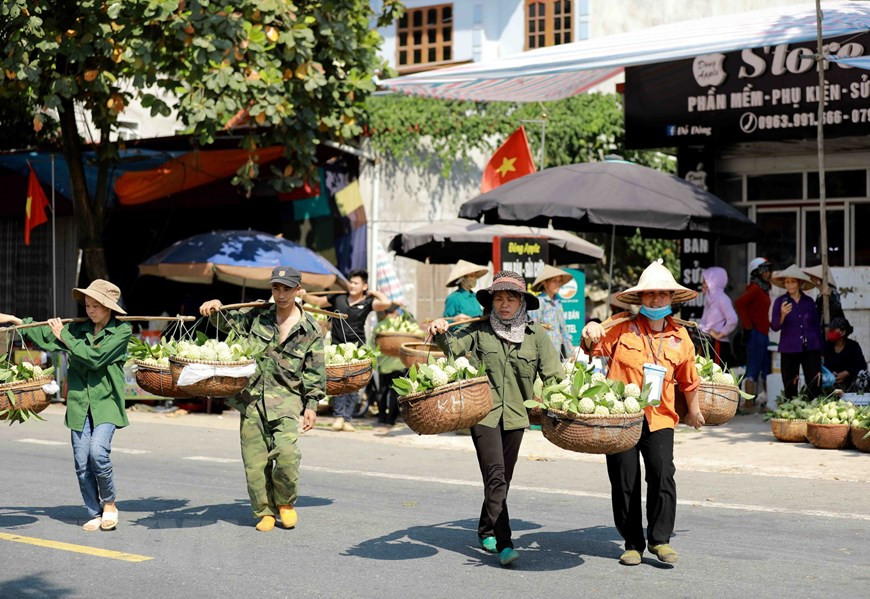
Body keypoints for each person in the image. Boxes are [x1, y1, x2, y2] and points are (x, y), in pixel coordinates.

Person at [428, 271, 563, 567]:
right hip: (483, 413)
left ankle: (485, 527)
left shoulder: (536, 336)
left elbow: (555, 376)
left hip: (516, 415)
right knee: (496, 477)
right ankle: (505, 543)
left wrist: (563, 401)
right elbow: (452, 349)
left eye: (510, 298)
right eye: (499, 298)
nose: (504, 304)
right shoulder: (478, 330)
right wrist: (440, 330)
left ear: (521, 303)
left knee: (502, 480)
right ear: (491, 302)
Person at [581, 260, 704, 567]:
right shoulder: (620, 329)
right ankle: (632, 542)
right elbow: (590, 350)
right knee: (625, 480)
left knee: (663, 474)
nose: (656, 299)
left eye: (663, 294)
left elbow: (689, 380)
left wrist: (695, 410)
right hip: (621, 417)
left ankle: (660, 540)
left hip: (660, 416)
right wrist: (591, 330)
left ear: (671, 299)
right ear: (640, 298)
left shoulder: (681, 337)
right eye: (650, 294)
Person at [1, 280, 132, 533]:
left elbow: (95, 359)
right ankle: (94, 512)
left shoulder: (121, 332)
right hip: (79, 403)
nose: (90, 310)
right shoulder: (78, 329)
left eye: (96, 306)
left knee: (98, 453)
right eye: (87, 305)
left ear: (109, 308)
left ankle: (110, 504)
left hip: (106, 403)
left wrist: (65, 338)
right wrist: (15, 320)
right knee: (81, 462)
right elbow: (43, 334)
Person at [199, 267, 324, 532]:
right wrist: (215, 309)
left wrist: (312, 404)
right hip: (251, 398)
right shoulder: (257, 315)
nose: (280, 294)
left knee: (288, 455)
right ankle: (264, 510)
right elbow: (226, 324)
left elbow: (314, 370)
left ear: (298, 289)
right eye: (276, 288)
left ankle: (285, 503)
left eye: (287, 289)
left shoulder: (309, 328)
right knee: (255, 461)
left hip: (287, 399)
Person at [303, 269, 394, 432]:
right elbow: (317, 301)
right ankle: (338, 417)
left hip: (357, 348)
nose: (352, 285)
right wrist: (303, 295)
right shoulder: (338, 298)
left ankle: (347, 419)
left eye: (356, 283)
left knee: (354, 384)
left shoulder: (368, 302)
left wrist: (373, 292)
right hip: (337, 346)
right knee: (338, 382)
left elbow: (386, 303)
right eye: (350, 282)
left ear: (364, 286)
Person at [769, 264, 823, 399]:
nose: (790, 285)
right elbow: (775, 326)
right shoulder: (780, 302)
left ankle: (812, 411)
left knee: (813, 383)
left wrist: (822, 351)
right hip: (789, 348)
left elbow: (816, 327)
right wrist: (782, 314)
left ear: (800, 283)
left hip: (810, 348)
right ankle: (791, 410)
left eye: (793, 281)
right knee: (790, 384)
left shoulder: (809, 302)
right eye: (787, 282)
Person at [734, 257, 773, 399]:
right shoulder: (756, 288)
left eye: (769, 270)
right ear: (757, 272)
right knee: (754, 368)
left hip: (763, 332)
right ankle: (749, 403)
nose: (768, 273)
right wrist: (748, 326)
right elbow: (739, 303)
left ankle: (766, 401)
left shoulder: (764, 288)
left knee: (765, 367)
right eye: (765, 270)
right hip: (756, 333)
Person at [528, 265, 574, 358]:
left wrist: (571, 352)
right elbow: (532, 328)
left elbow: (563, 330)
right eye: (555, 281)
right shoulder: (539, 302)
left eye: (559, 281)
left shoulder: (558, 302)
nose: (558, 284)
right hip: (544, 352)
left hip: (559, 352)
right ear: (545, 283)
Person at [698, 266, 738, 367]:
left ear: (713, 282)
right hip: (708, 341)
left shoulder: (722, 299)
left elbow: (733, 319)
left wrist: (720, 334)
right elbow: (705, 319)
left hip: (718, 343)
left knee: (716, 374)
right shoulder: (709, 298)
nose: (703, 285)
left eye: (705, 281)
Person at [823, 317, 867, 391]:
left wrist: (846, 373)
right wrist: (831, 373)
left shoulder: (853, 346)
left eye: (834, 329)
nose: (830, 332)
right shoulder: (827, 346)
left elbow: (861, 365)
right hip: (832, 382)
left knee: (864, 375)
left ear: (843, 332)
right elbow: (824, 365)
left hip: (850, 382)